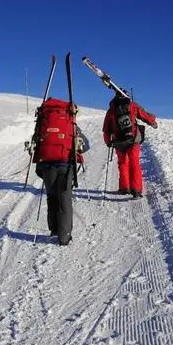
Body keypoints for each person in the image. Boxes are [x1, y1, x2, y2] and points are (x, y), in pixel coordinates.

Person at [32, 98, 89, 246]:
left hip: (45, 164)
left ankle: (54, 230)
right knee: (64, 199)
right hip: (65, 164)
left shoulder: (43, 120)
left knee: (52, 197)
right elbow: (86, 145)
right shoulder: (70, 122)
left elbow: (35, 142)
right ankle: (64, 237)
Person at [102, 90, 157, 198]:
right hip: (133, 139)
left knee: (122, 163)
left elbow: (106, 129)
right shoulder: (132, 106)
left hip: (119, 141)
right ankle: (136, 189)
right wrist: (153, 122)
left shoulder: (111, 110)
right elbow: (144, 115)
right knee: (134, 163)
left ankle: (124, 188)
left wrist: (108, 141)